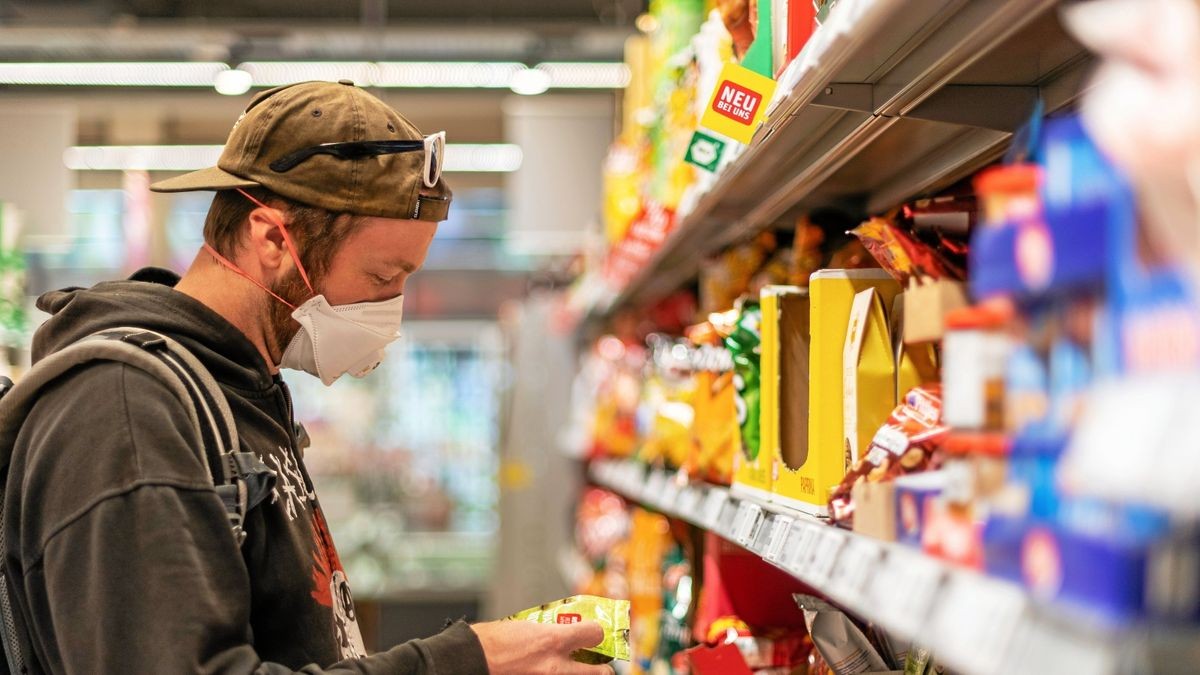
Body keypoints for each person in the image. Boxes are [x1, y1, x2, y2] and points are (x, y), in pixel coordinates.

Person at [1, 80, 609, 674]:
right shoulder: (126, 409)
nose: (390, 312)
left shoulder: (242, 391)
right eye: (380, 278)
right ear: (271, 238)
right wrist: (462, 662)